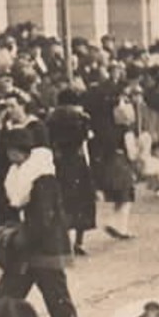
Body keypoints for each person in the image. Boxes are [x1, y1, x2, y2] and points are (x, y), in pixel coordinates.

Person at [0, 126, 88, 317]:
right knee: (5, 299)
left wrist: (13, 235)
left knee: (54, 302)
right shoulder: (18, 172)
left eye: (10, 150)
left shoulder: (43, 178)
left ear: (19, 151)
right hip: (29, 251)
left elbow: (42, 221)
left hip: (44, 250)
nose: (7, 155)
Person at [47, 90, 99, 249]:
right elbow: (87, 139)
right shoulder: (82, 118)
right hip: (77, 161)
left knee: (63, 200)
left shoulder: (51, 119)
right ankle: (79, 241)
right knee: (82, 199)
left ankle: (65, 240)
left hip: (59, 161)